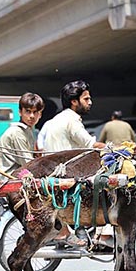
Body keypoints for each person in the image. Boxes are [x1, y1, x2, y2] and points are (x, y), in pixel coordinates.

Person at [42, 81, 107, 247]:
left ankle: (82, 230)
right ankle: (102, 235)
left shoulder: (57, 119)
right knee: (107, 188)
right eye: (86, 99)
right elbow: (90, 144)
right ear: (74, 101)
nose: (90, 102)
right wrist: (115, 148)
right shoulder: (72, 120)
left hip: (54, 170)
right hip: (65, 173)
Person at [0, 92, 44, 175]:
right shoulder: (17, 133)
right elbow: (29, 164)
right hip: (10, 179)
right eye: (28, 111)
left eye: (35, 112)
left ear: (40, 114)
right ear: (20, 112)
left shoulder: (28, 131)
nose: (32, 116)